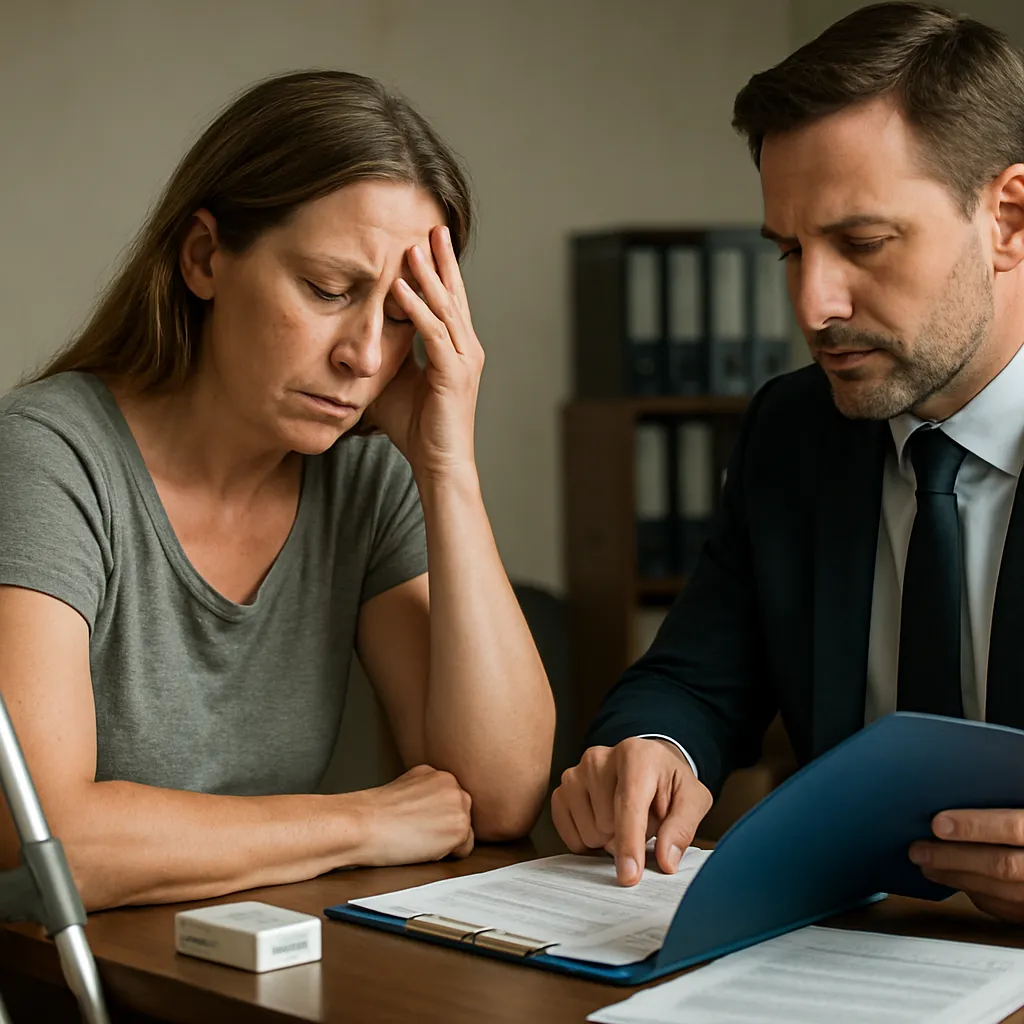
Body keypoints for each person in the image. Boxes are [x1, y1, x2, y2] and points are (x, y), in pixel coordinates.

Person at [0, 70, 555, 912]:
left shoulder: (363, 480)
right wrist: (361, 823)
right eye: (330, 291)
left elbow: (498, 796)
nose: (366, 355)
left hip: (244, 968)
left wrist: (449, 470)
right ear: (203, 259)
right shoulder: (49, 454)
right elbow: (42, 838)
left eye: (403, 314)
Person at [553, 1, 1024, 924]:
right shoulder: (794, 430)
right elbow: (691, 677)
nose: (813, 305)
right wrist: (655, 748)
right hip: (847, 955)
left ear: (1008, 217)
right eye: (790, 251)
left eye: (862, 243)